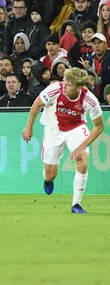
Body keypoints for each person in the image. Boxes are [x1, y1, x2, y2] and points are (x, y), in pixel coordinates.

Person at [22, 67, 104, 214]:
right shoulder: (54, 90)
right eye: (64, 81)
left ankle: (76, 204)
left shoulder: (90, 100)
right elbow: (37, 104)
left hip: (76, 128)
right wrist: (29, 127)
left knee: (83, 160)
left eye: (69, 84)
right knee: (50, 174)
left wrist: (81, 147)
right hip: (53, 129)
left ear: (79, 87)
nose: (64, 85)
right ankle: (48, 180)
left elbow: (99, 127)